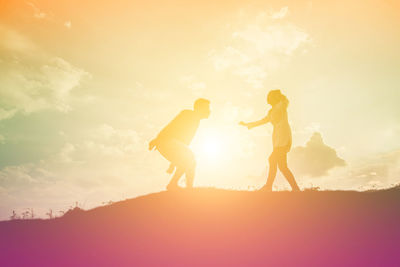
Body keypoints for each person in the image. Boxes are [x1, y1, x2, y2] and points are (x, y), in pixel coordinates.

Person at [240, 90, 300, 192]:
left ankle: (268, 186)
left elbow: (285, 101)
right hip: (277, 138)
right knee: (282, 167)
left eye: (270, 97)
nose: (268, 99)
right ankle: (296, 189)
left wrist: (280, 96)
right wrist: (248, 124)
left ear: (275, 98)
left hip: (284, 137)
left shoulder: (281, 105)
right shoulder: (271, 112)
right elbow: (263, 121)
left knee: (272, 159)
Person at [149, 98, 211, 190]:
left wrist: (173, 164)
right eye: (207, 108)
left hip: (170, 144)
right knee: (189, 158)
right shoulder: (188, 114)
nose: (210, 111)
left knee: (189, 162)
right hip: (165, 141)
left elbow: (183, 145)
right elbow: (171, 125)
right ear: (200, 108)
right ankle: (188, 189)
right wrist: (157, 138)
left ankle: (178, 186)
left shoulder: (196, 121)